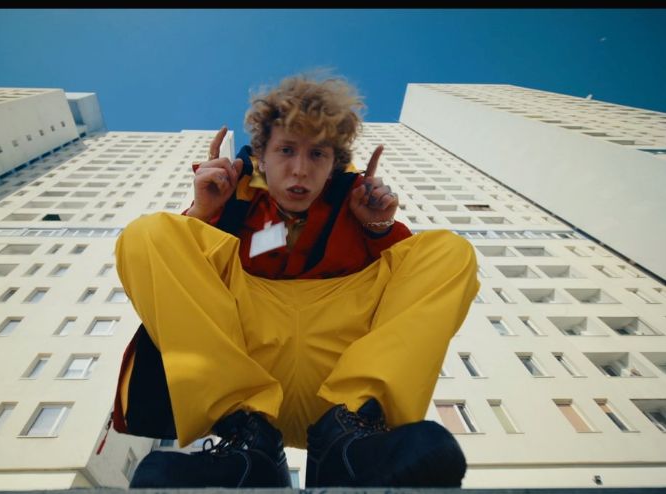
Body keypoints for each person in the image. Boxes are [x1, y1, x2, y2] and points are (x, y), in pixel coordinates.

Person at [112, 72, 480, 488]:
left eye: (318, 154)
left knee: (449, 248)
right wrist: (204, 213)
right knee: (148, 232)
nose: (300, 170)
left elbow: (408, 290)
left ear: (333, 166)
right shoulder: (231, 207)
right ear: (261, 159)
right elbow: (175, 275)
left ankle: (352, 435)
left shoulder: (358, 210)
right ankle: (248, 442)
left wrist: (378, 229)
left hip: (339, 380)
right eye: (286, 150)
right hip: (250, 371)